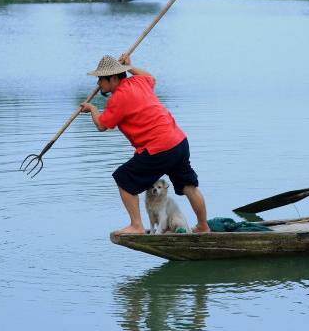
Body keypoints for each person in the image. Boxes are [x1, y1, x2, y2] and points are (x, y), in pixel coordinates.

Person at [80, 54, 211, 235]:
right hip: (179, 142)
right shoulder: (139, 82)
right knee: (189, 186)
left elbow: (102, 125)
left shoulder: (118, 98)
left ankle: (136, 226)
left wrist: (92, 109)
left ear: (114, 78)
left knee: (124, 178)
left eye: (101, 79)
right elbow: (151, 78)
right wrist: (131, 67)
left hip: (160, 148)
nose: (98, 84)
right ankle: (203, 226)